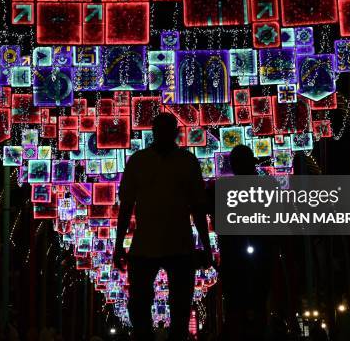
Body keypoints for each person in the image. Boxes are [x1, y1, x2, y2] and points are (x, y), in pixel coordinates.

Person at [113, 113, 213, 341]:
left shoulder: (187, 161)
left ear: (175, 132)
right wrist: (118, 246)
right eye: (161, 129)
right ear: (154, 132)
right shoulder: (139, 161)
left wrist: (206, 247)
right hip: (145, 245)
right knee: (139, 305)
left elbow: (198, 209)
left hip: (179, 246)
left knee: (180, 308)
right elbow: (126, 207)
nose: (165, 134)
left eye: (169, 129)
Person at [219, 145, 270, 340]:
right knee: (237, 302)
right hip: (235, 254)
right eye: (237, 163)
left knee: (257, 300)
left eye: (243, 162)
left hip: (258, 251)